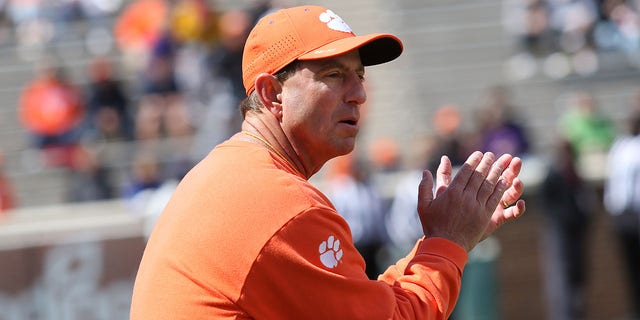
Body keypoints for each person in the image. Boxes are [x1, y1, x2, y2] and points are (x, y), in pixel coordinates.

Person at [130, 5, 526, 319]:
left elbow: (366, 304)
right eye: (334, 74)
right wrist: (448, 243)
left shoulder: (230, 171)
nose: (358, 94)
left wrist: (437, 243)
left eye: (360, 76)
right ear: (271, 93)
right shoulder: (282, 205)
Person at [539, 137, 595, 320]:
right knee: (561, 283)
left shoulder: (575, 176)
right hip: (559, 237)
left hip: (576, 237)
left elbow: (586, 204)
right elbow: (547, 207)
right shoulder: (553, 175)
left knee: (578, 281)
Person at [603, 109, 640, 320]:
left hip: (634, 212)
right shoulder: (621, 146)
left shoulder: (623, 147)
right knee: (629, 265)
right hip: (623, 214)